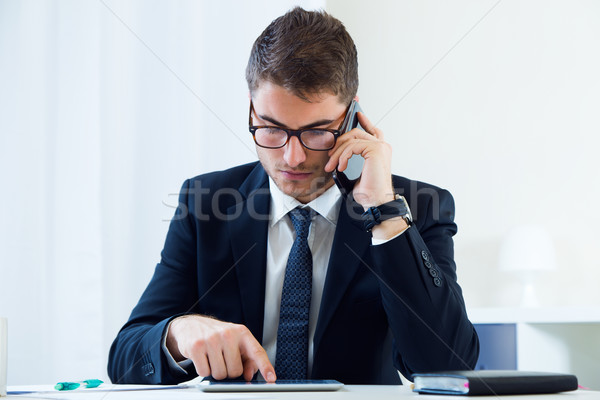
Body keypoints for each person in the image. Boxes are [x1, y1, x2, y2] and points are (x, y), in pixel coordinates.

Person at [107, 7, 479, 385]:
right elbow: (124, 356)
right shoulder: (203, 203)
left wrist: (384, 213)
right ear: (251, 109)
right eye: (271, 129)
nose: (293, 157)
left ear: (353, 117)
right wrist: (178, 334)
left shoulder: (418, 208)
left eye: (317, 132)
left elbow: (447, 367)